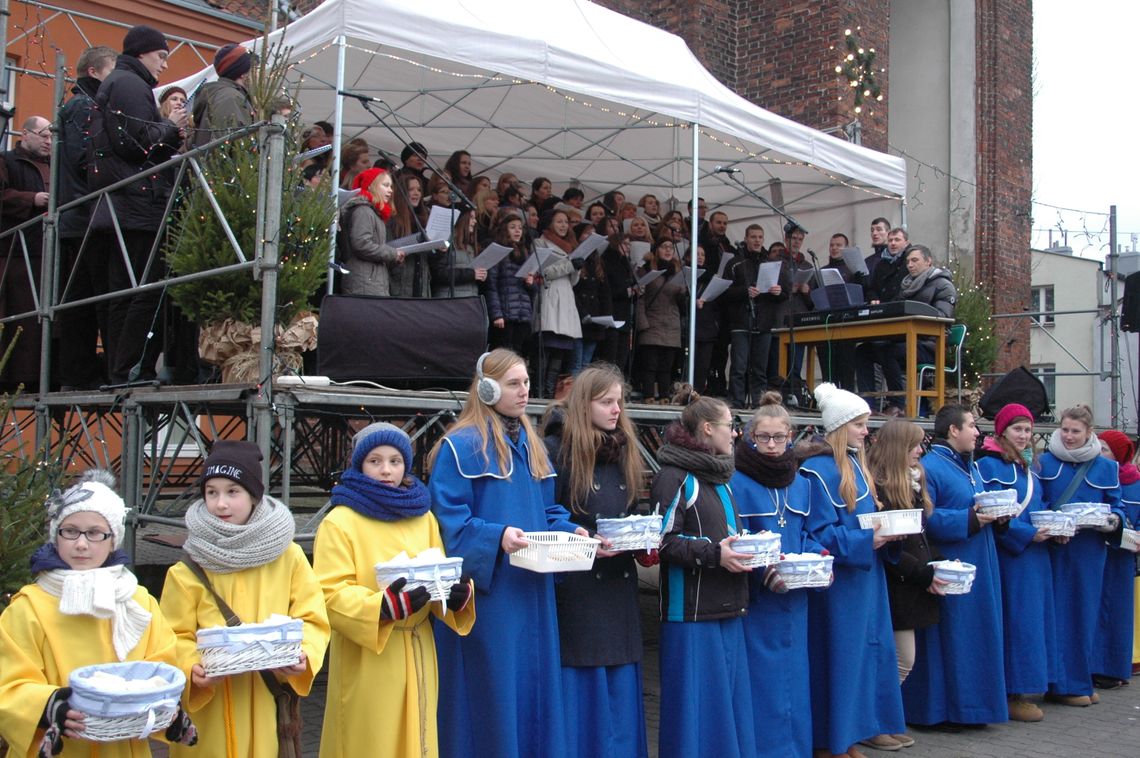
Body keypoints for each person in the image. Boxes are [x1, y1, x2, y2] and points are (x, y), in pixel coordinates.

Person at [428, 349, 586, 757]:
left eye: (527, 382)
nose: (524, 391)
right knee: (493, 698)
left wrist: (575, 533)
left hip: (533, 593)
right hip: (489, 601)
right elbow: (448, 525)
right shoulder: (458, 446)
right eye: (514, 383)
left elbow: (549, 511)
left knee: (533, 693)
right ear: (487, 387)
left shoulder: (532, 444)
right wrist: (497, 536)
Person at [0, 470, 196, 756]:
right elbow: (8, 684)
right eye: (70, 531)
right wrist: (49, 704)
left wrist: (165, 705)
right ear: (56, 535)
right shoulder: (28, 608)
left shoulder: (138, 602)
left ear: (112, 539)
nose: (81, 544)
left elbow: (162, 666)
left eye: (94, 533)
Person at [160, 441, 330, 757]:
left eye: (232, 492)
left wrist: (305, 655)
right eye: (211, 492)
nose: (220, 504)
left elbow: (313, 617)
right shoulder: (188, 567)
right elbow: (170, 636)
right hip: (209, 716)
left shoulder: (288, 556)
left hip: (267, 705)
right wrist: (190, 668)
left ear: (254, 495)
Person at [314, 423, 474, 757]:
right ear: (359, 465)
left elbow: (436, 571)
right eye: (375, 461)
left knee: (422, 739)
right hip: (370, 659)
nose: (386, 469)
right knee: (372, 743)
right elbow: (330, 594)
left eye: (394, 461)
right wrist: (382, 608)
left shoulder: (423, 517)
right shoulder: (340, 522)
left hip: (418, 650)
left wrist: (455, 596)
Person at [542, 365, 648, 757]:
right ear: (583, 403)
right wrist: (581, 540)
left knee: (620, 695)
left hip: (618, 590)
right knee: (583, 695)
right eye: (606, 402)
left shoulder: (626, 450)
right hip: (579, 591)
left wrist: (641, 539)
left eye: (619, 401)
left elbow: (631, 510)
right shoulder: (556, 450)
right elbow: (544, 514)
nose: (616, 409)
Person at [800, 383, 905, 758]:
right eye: (859, 424)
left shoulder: (857, 467)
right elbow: (818, 532)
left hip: (865, 579)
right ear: (841, 426)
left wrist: (889, 532)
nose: (866, 431)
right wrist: (866, 541)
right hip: (839, 585)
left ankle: (853, 733)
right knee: (839, 659)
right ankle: (830, 740)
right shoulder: (817, 471)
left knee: (865, 657)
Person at [654, 395, 755, 758]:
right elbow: (660, 544)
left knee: (726, 713)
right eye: (730, 426)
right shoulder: (675, 476)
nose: (735, 433)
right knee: (694, 718)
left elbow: (727, 534)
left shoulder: (722, 477)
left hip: (729, 606)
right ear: (709, 429)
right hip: (691, 615)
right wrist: (716, 554)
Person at [89, 25, 189, 385]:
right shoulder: (131, 85)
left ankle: (121, 370)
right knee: (143, 291)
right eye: (161, 56)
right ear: (144, 52)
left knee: (125, 293)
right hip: (137, 204)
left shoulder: (119, 83)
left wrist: (165, 138)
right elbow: (135, 145)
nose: (164, 65)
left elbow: (134, 148)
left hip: (125, 203)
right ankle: (131, 369)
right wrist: (170, 126)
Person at [901, 404, 1008, 728]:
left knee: (974, 640)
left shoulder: (967, 465)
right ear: (953, 431)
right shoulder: (932, 466)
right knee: (951, 642)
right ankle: (942, 712)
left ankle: (973, 709)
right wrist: (971, 518)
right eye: (972, 426)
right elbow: (925, 517)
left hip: (977, 560)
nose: (978, 432)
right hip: (949, 563)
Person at [731, 391, 819, 758]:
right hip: (757, 599)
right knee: (762, 683)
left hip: (795, 599)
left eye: (778, 438)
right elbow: (733, 537)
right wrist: (763, 568)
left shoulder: (802, 482)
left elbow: (815, 532)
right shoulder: (735, 481)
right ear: (750, 437)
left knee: (795, 682)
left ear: (790, 437)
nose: (770, 445)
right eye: (762, 437)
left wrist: (816, 560)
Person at [975, 403, 1059, 722]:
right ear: (1002, 431)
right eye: (1017, 429)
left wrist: (1054, 527)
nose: (1024, 435)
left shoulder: (1027, 466)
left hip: (1034, 555)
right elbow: (993, 514)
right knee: (1017, 621)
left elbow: (1037, 504)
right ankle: (1012, 690)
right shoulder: (989, 466)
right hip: (1012, 556)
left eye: (1027, 429)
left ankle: (1027, 687)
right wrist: (1026, 534)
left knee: (1033, 621)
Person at [1038, 405, 1123, 705]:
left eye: (1076, 431)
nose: (1069, 436)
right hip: (1056, 547)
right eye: (1065, 430)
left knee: (1085, 615)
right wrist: (1052, 522)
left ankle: (1078, 679)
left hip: (1089, 552)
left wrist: (1112, 521)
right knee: (1057, 614)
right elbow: (1037, 502)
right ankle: (1059, 684)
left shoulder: (1106, 467)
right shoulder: (1044, 463)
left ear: (1089, 432)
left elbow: (1116, 507)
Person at [868, 418, 944, 750]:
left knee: (898, 658)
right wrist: (924, 573)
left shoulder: (911, 481)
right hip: (896, 584)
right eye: (915, 444)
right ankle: (872, 723)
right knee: (901, 659)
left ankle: (882, 720)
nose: (920, 450)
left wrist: (935, 566)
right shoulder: (883, 486)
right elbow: (891, 547)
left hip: (909, 581)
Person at [56, 45, 117, 391]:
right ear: (93, 72)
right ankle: (83, 374)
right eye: (111, 71)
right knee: (90, 299)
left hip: (79, 216)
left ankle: (78, 374)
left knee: (82, 300)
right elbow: (85, 160)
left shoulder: (79, 105)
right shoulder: (84, 107)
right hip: (84, 216)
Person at [856, 244, 957, 416]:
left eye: (915, 260)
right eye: (908, 261)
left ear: (928, 261)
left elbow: (942, 317)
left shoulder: (943, 285)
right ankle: (868, 405)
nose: (910, 265)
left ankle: (898, 404)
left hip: (930, 346)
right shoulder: (907, 286)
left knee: (890, 351)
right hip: (904, 341)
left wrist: (914, 316)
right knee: (864, 350)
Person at [0, 116, 53, 390]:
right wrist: (30, 199)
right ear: (26, 133)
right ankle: (15, 379)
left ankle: (44, 376)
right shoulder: (7, 160)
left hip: (50, 251)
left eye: (51, 137)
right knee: (19, 319)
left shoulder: (56, 166)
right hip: (16, 253)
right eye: (43, 135)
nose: (48, 141)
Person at [723, 224, 790, 408]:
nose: (757, 240)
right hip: (741, 321)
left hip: (764, 322)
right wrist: (745, 292)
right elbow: (724, 292)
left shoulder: (770, 264)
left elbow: (785, 294)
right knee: (739, 366)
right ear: (746, 238)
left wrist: (778, 291)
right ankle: (736, 402)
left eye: (760, 237)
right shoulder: (735, 263)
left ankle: (760, 404)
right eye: (753, 237)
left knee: (760, 369)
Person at [1094, 429, 1140, 689]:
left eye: (1105, 449)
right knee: (1098, 611)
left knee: (1119, 615)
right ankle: (1095, 665)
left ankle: (1115, 667)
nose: (1100, 453)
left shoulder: (1135, 484)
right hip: (1102, 552)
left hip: (1123, 558)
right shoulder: (1099, 477)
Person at [532, 209, 582, 396]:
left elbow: (573, 281)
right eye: (559, 221)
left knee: (559, 356)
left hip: (567, 301)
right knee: (546, 352)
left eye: (565, 222)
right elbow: (543, 272)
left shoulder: (570, 245)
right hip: (550, 298)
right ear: (549, 223)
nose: (563, 226)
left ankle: (550, 391)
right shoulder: (540, 242)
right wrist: (570, 265)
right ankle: (539, 392)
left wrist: (576, 268)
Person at [339, 167, 406, 296]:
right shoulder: (363, 211)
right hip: (364, 282)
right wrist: (392, 253)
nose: (390, 190)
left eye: (391, 186)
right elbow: (361, 244)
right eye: (385, 185)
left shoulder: (372, 213)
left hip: (369, 280)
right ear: (370, 186)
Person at [634, 238, 686, 402]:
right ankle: (649, 395)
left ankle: (664, 397)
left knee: (666, 366)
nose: (668, 250)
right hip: (652, 321)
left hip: (672, 323)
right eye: (664, 247)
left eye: (671, 247)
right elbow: (640, 298)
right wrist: (642, 323)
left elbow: (681, 303)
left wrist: (685, 293)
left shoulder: (679, 272)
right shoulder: (647, 269)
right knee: (650, 364)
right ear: (656, 250)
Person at [485, 209, 537, 356]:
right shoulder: (498, 251)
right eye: (513, 227)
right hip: (505, 313)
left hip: (522, 313)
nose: (517, 231)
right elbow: (491, 285)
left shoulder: (525, 252)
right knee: (503, 354)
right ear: (504, 229)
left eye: (520, 228)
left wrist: (530, 282)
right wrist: (496, 314)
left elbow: (534, 289)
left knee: (517, 354)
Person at [190, 43, 254, 149]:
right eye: (254, 69)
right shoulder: (230, 98)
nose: (258, 75)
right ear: (243, 72)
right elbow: (230, 146)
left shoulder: (224, 95)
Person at [429, 209, 487, 298]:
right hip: (449, 301)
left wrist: (481, 274)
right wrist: (472, 274)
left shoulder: (470, 247)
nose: (475, 221)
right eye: (471, 218)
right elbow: (439, 273)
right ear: (461, 220)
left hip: (470, 299)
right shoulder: (446, 243)